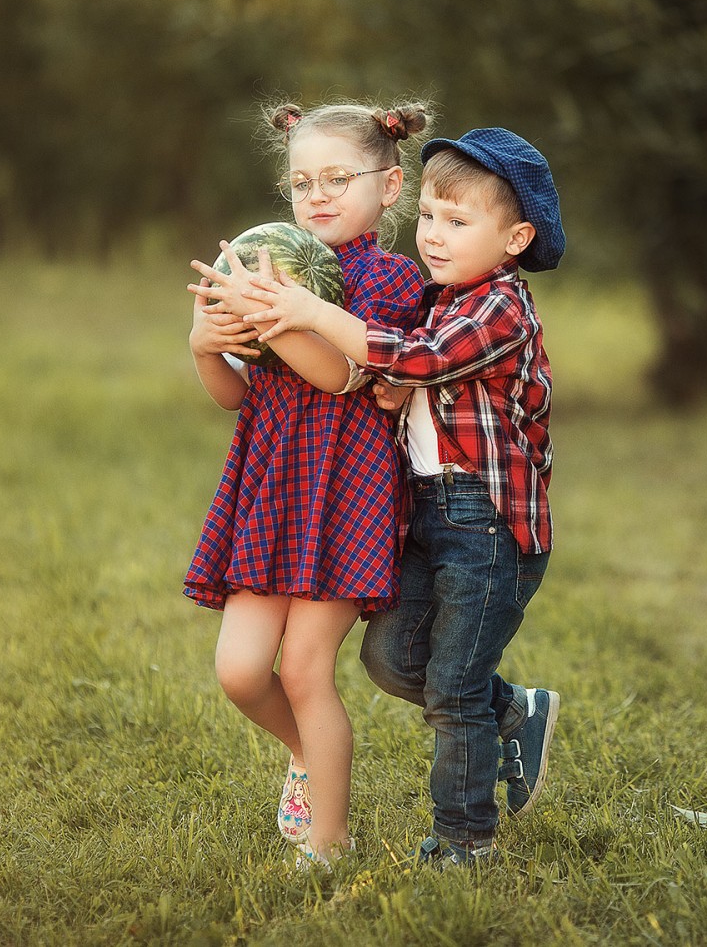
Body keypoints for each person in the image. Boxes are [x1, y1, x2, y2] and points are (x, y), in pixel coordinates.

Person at [229, 127, 565, 867]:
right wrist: (394, 388)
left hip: (487, 527)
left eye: (458, 222)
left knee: (450, 689)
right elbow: (413, 377)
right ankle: (515, 710)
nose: (435, 237)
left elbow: (421, 357)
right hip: (429, 517)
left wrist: (319, 318)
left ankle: (462, 840)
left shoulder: (499, 306)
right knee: (390, 658)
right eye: (430, 218)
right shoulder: (445, 299)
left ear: (515, 238)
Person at [184, 100, 429, 868]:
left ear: (389, 188)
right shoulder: (270, 268)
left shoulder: (390, 281)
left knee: (301, 667)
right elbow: (233, 396)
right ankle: (304, 755)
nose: (316, 195)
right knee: (239, 670)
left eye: (337, 178)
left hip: (349, 496)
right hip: (272, 490)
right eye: (300, 182)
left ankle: (328, 841)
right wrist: (206, 343)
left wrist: (284, 314)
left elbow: (337, 376)